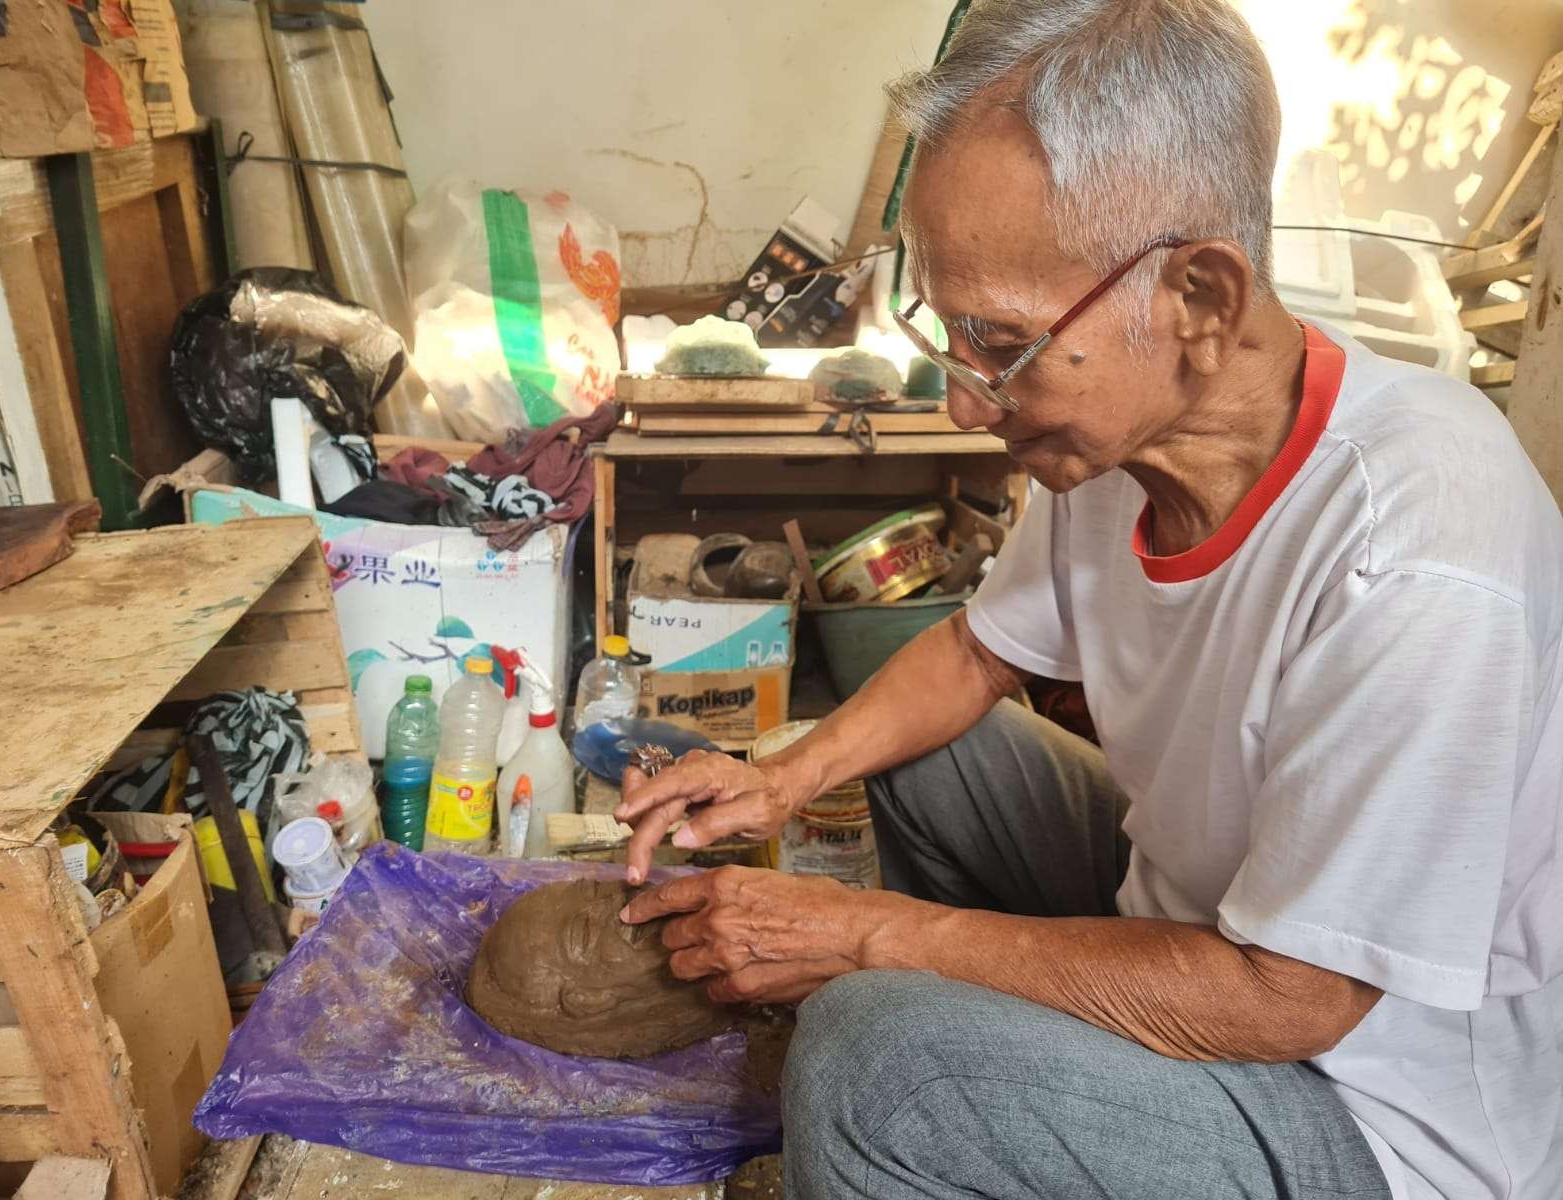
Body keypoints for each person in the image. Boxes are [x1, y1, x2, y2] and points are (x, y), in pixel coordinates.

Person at [615, 1, 1563, 1197]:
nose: (967, 400)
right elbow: (972, 652)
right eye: (949, 335)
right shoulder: (1118, 443)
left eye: (999, 344)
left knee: (884, 1064)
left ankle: (945, 1112)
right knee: (915, 751)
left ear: (1200, 300)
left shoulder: (1417, 554)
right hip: (1196, 921)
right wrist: (783, 774)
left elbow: (1293, 1000)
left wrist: (865, 938)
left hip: (1371, 1109)